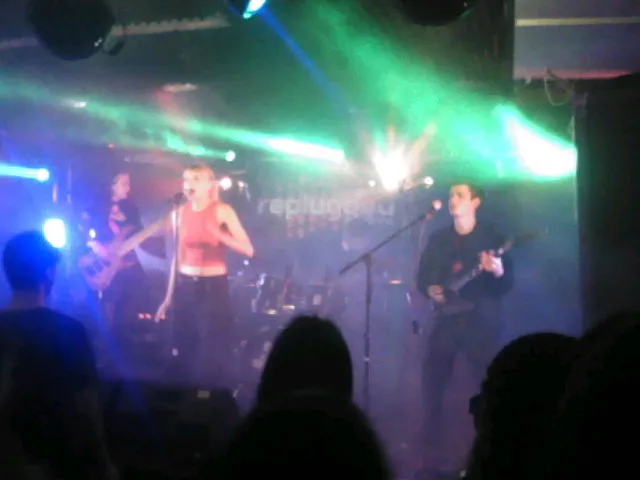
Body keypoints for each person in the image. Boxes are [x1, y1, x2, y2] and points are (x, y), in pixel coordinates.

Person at [415, 182, 514, 474]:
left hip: (480, 321)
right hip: (446, 320)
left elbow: (507, 284)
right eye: (451, 196)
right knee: (432, 383)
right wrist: (430, 289)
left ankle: (489, 453)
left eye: (460, 195)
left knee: (485, 384)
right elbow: (422, 278)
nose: (453, 200)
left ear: (475, 202)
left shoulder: (492, 237)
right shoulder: (438, 239)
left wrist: (497, 270)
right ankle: (431, 454)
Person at [0, 231, 115, 479]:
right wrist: (104, 466)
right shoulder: (68, 332)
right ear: (50, 273)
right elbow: (86, 408)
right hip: (57, 465)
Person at [165, 163, 254, 386]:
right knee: (185, 343)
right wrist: (168, 296)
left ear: (208, 185)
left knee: (212, 346)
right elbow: (177, 257)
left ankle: (210, 394)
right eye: (186, 179)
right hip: (186, 284)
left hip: (213, 287)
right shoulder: (178, 214)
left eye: (196, 179)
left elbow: (248, 249)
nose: (189, 184)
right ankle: (185, 393)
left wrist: (220, 235)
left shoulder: (222, 210)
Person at [85, 172, 146, 337]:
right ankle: (106, 337)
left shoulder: (131, 208)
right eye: (124, 184)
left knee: (133, 293)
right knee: (108, 300)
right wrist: (93, 243)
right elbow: (82, 226)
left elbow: (139, 233)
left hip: (126, 261)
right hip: (103, 260)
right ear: (112, 185)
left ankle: (126, 335)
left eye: (129, 184)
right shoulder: (97, 204)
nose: (128, 188)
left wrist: (125, 221)